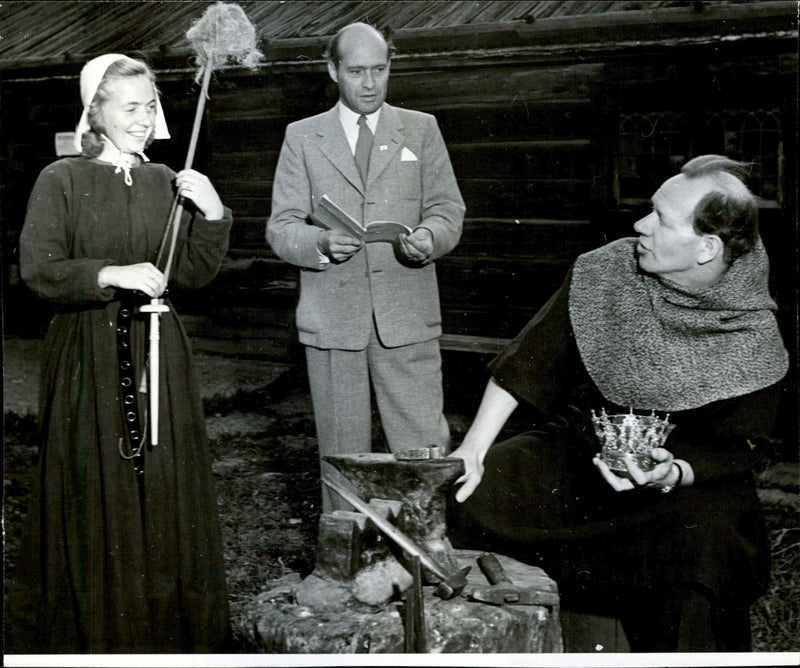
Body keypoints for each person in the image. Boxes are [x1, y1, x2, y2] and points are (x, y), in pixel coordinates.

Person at [448, 155, 789, 652]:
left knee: (705, 552)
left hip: (686, 483)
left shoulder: (753, 330)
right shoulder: (604, 270)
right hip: (578, 447)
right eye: (650, 209)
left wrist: (670, 472)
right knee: (462, 498)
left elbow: (743, 447)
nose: (639, 225)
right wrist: (474, 449)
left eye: (661, 219)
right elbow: (529, 362)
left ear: (706, 248)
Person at [10, 54, 232, 653]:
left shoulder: (164, 181)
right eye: (129, 107)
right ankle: (101, 634)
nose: (142, 119)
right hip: (88, 355)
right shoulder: (60, 179)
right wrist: (112, 272)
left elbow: (189, 272)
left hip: (161, 354)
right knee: (95, 488)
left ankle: (165, 633)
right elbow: (37, 271)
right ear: (95, 112)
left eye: (149, 106)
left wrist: (211, 211)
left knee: (161, 486)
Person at [267, 22, 465, 512]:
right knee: (342, 457)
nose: (371, 83)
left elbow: (447, 209)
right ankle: (347, 567)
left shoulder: (421, 128)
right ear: (333, 70)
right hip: (334, 321)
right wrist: (320, 242)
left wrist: (429, 238)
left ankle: (424, 559)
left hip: (408, 318)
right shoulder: (302, 137)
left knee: (421, 449)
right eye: (357, 71)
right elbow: (281, 226)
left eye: (380, 69)